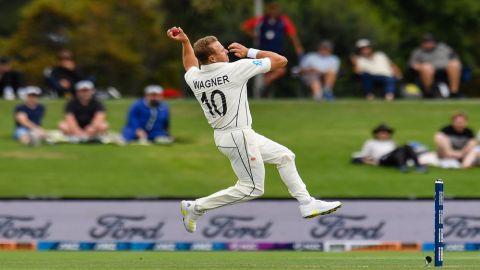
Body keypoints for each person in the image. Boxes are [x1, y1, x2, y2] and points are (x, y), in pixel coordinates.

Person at [167, 26, 341, 233]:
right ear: (212, 59)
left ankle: (306, 203)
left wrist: (186, 43)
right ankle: (196, 206)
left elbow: (190, 65)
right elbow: (281, 61)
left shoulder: (196, 78)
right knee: (251, 189)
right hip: (237, 135)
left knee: (285, 156)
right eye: (221, 50)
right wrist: (250, 52)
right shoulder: (235, 69)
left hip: (233, 135)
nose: (226, 51)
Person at [242, 2, 304, 91]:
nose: (274, 12)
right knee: (263, 69)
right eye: (272, 9)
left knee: (280, 70)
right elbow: (245, 27)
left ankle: (263, 85)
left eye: (275, 9)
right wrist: (254, 35)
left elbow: (292, 34)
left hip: (277, 51)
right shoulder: (262, 20)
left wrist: (298, 47)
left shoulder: (283, 20)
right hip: (263, 51)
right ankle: (260, 88)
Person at [352, 124, 426, 172]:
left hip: (393, 158)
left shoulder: (392, 142)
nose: (385, 134)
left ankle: (419, 166)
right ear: (377, 134)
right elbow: (364, 156)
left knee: (407, 147)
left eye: (387, 132)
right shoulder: (370, 143)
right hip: (382, 159)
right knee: (400, 149)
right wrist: (371, 162)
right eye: (382, 132)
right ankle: (402, 166)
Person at [409, 33, 462, 98]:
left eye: (430, 41)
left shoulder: (444, 48)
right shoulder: (418, 52)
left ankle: (454, 92)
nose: (428, 43)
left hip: (445, 71)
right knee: (426, 67)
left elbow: (454, 57)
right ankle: (429, 93)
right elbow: (413, 65)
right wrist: (424, 67)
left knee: (455, 64)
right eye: (426, 42)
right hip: (428, 72)